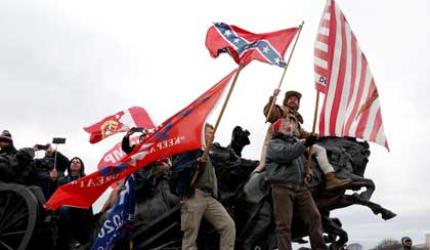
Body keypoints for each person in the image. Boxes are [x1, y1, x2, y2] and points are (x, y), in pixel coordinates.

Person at [256, 89, 350, 189]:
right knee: (319, 150)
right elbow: (270, 114)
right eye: (290, 99)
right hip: (281, 145)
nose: (293, 100)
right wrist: (273, 98)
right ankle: (329, 178)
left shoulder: (296, 121)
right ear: (286, 101)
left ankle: (325, 177)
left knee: (317, 149)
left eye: (296, 100)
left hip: (294, 143)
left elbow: (304, 134)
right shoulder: (281, 111)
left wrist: (321, 135)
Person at [266, 118, 327, 250]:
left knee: (315, 216)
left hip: (300, 188)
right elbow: (286, 154)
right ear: (277, 129)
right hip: (282, 187)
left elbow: (303, 161)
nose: (288, 126)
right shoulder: (273, 144)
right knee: (284, 225)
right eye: (284, 124)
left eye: (290, 124)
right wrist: (305, 143)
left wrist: (308, 171)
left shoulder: (296, 143)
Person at [171, 123, 235, 250]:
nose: (213, 135)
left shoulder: (209, 154)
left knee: (228, 225)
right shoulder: (192, 150)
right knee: (190, 239)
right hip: (194, 196)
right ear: (202, 133)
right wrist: (195, 163)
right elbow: (177, 168)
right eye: (210, 132)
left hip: (210, 198)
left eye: (213, 133)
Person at [57, 157, 94, 249]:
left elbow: (90, 194)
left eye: (78, 162)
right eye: (73, 162)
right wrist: (53, 181)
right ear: (69, 165)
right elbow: (56, 195)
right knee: (64, 208)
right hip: (65, 205)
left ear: (81, 166)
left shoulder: (86, 179)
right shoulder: (61, 180)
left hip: (81, 206)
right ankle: (71, 240)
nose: (75, 163)